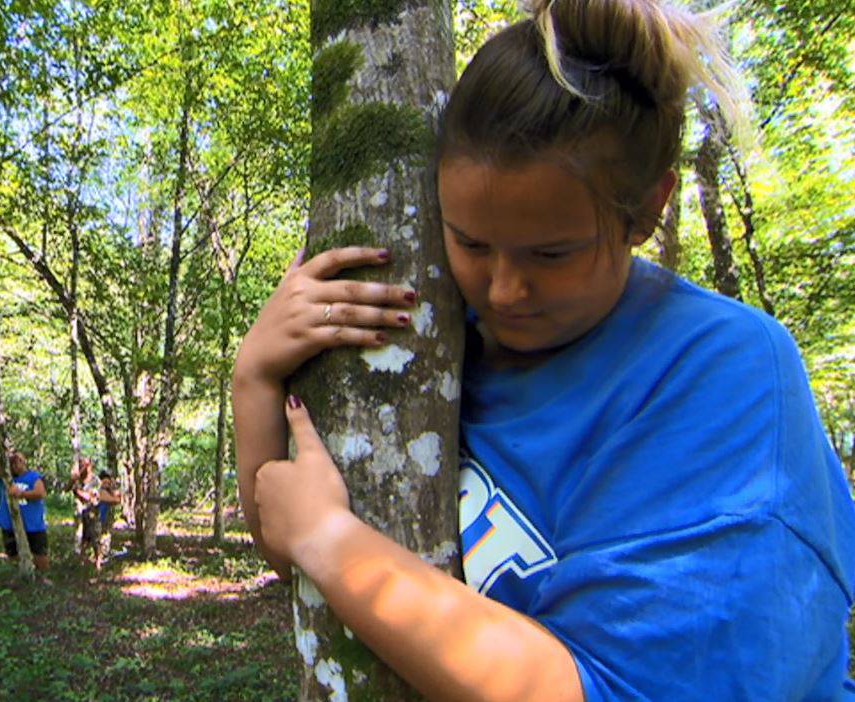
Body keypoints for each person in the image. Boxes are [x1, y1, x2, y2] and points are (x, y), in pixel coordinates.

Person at [232, 1, 855, 700]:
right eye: (469, 241)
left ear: (646, 211)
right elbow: (289, 543)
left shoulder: (725, 375)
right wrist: (255, 377)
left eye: (551, 253)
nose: (502, 290)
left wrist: (330, 540)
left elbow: (611, 690)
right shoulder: (437, 329)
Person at [0, 451, 50, 578]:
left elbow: (40, 493)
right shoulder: (7, 478)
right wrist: (7, 456)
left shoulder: (33, 476)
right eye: (13, 461)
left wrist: (21, 494)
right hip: (10, 523)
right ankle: (19, 579)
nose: (16, 462)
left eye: (19, 459)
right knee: (13, 553)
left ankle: (42, 579)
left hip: (33, 523)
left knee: (40, 554)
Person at [71, 457, 102, 568]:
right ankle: (82, 562)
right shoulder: (78, 481)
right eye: (80, 465)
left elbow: (91, 497)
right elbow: (67, 488)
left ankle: (98, 563)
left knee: (95, 538)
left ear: (90, 466)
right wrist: (73, 480)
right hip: (80, 513)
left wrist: (78, 492)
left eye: (84, 465)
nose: (82, 467)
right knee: (83, 538)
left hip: (92, 512)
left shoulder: (96, 481)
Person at [97, 471, 122, 559]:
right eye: (105, 482)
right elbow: (115, 500)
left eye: (108, 482)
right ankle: (101, 556)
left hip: (104, 519)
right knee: (100, 537)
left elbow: (118, 496)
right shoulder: (101, 491)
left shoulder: (107, 491)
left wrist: (113, 487)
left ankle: (104, 554)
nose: (107, 484)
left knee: (105, 536)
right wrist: (114, 494)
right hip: (98, 519)